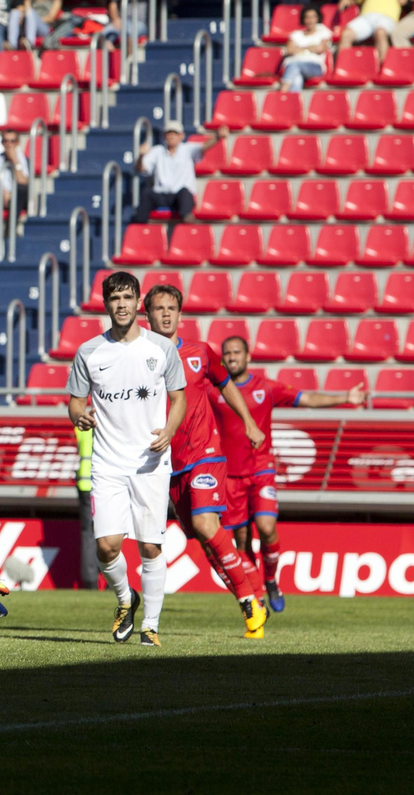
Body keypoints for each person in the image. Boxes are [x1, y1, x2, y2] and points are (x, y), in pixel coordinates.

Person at [140, 284, 269, 640]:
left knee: (205, 524)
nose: (166, 314)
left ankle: (251, 600)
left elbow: (226, 385)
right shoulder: (140, 358)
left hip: (205, 454)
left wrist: (249, 421)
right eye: (159, 308)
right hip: (169, 463)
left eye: (171, 308)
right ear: (147, 315)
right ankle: (250, 599)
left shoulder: (200, 352)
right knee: (205, 536)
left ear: (180, 315)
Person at [65, 270, 187, 647]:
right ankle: (125, 598)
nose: (121, 305)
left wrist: (169, 430)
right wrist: (79, 416)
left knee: (150, 547)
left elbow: (179, 398)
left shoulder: (161, 349)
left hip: (150, 462)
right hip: (107, 463)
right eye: (115, 298)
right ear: (106, 304)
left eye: (127, 297)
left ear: (138, 303)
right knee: (106, 546)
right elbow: (75, 402)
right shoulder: (89, 352)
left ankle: (150, 625)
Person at [212, 335, 366, 614]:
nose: (232, 357)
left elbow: (307, 398)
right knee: (241, 541)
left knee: (266, 527)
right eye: (228, 353)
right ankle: (256, 595)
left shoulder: (265, 388)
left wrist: (346, 397)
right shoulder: (215, 391)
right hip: (230, 477)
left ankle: (271, 580)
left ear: (248, 356)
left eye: (237, 352)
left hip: (261, 470)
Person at [134, 120, 226, 226]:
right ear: (164, 136)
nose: (172, 136)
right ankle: (139, 227)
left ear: (182, 136)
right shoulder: (157, 151)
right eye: (169, 133)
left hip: (179, 197)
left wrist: (217, 137)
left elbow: (204, 147)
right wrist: (141, 156)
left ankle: (187, 220)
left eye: (175, 133)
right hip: (161, 195)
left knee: (185, 192)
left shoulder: (187, 149)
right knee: (146, 194)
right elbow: (141, 168)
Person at [279, 6, 332, 91]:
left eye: (313, 17)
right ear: (303, 19)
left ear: (317, 18)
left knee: (295, 65)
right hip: (294, 66)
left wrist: (299, 48)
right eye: (307, 17)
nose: (310, 20)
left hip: (315, 66)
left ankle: (283, 92)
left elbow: (319, 49)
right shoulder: (296, 34)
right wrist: (311, 48)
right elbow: (289, 50)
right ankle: (293, 99)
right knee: (297, 78)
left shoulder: (323, 33)